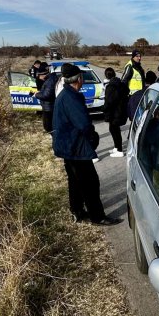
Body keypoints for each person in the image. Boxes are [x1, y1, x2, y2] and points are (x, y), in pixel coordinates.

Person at [52, 63, 122, 226]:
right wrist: (93, 138)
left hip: (68, 147)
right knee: (90, 182)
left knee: (75, 181)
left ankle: (77, 211)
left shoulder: (65, 94)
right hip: (75, 148)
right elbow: (84, 124)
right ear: (79, 79)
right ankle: (97, 217)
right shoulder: (71, 98)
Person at [103, 67, 128, 157]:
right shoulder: (121, 84)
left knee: (115, 130)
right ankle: (116, 147)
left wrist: (104, 110)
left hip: (114, 113)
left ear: (106, 76)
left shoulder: (111, 86)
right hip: (121, 111)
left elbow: (109, 101)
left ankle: (120, 150)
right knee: (114, 129)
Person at [34, 62, 58, 132]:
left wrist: (36, 95)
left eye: (39, 76)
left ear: (43, 74)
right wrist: (40, 92)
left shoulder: (50, 81)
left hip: (49, 107)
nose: (39, 77)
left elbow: (46, 95)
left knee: (49, 125)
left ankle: (52, 134)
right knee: (48, 124)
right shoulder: (50, 79)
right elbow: (47, 92)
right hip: (48, 106)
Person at [121, 50, 145, 120]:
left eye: (140, 56)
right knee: (135, 117)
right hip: (133, 96)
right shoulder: (130, 66)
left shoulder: (138, 66)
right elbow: (123, 81)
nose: (139, 58)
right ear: (133, 57)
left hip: (141, 94)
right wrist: (125, 95)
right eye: (137, 56)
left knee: (140, 116)